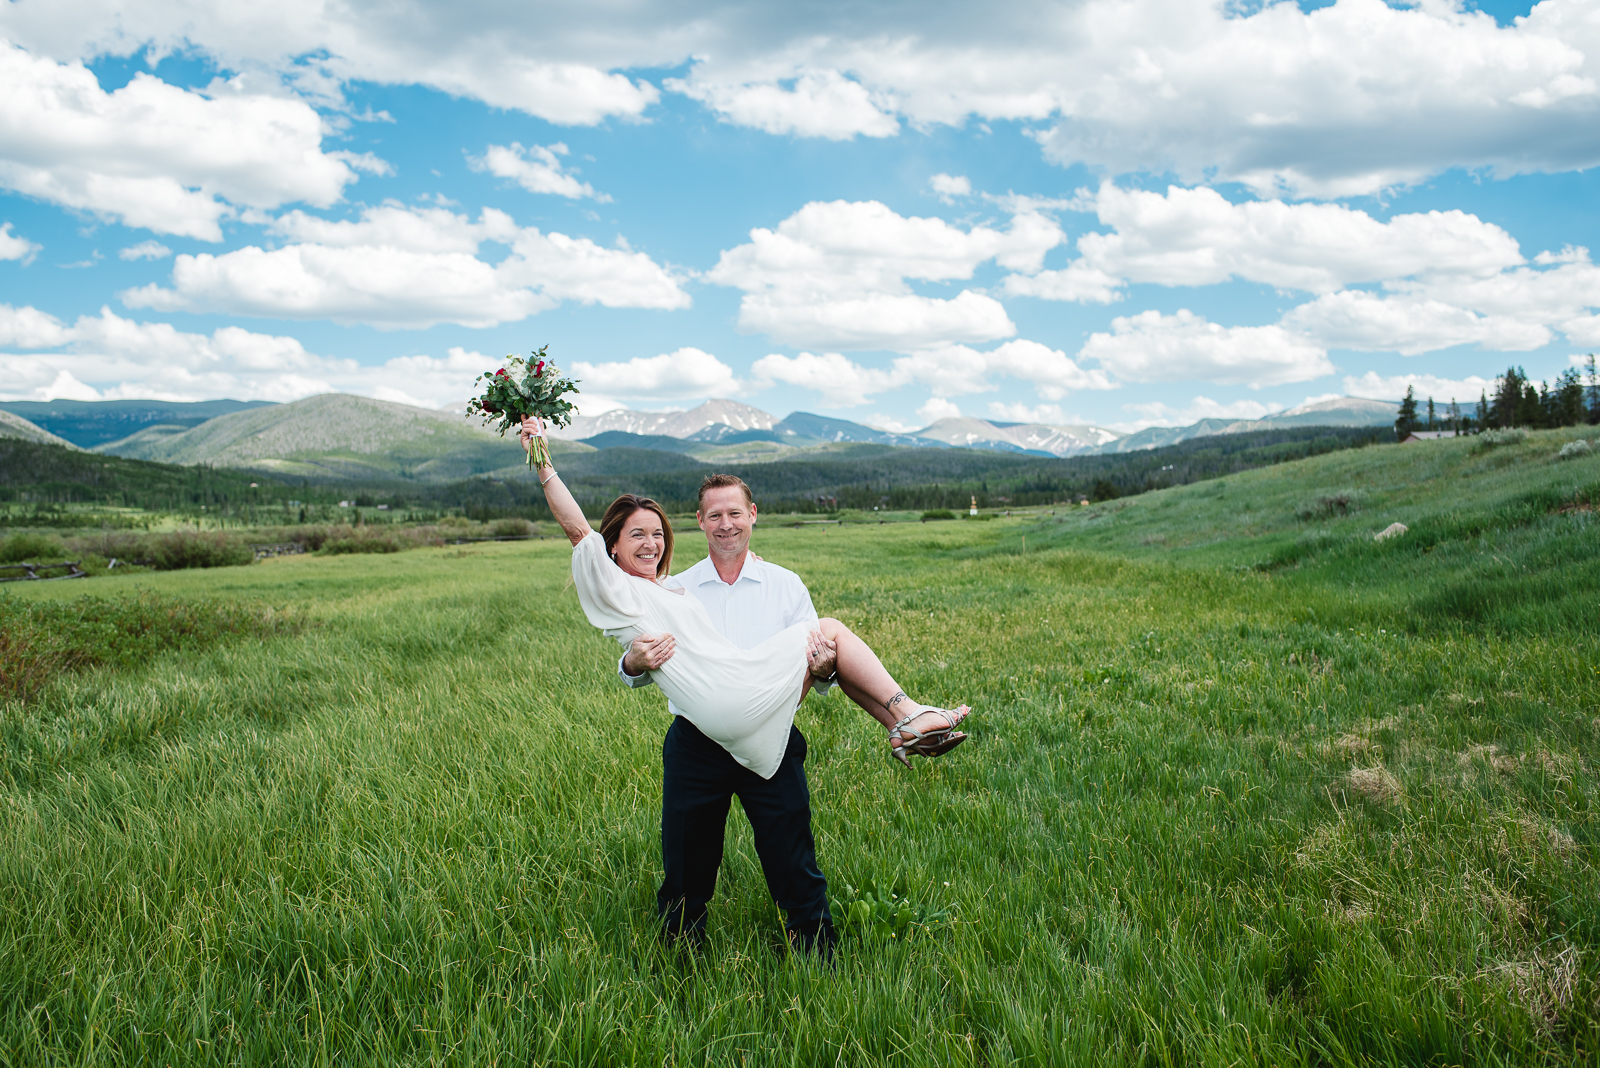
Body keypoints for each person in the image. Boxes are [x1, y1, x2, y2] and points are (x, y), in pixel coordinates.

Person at [518, 416, 969, 953]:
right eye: (636, 534)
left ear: (751, 516)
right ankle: (680, 953)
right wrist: (542, 460)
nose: (650, 542)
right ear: (612, 547)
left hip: (770, 723)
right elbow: (578, 532)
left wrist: (822, 668)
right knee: (687, 861)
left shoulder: (751, 586)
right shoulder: (627, 590)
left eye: (657, 533)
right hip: (700, 740)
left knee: (792, 852)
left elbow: (820, 668)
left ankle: (816, 944)